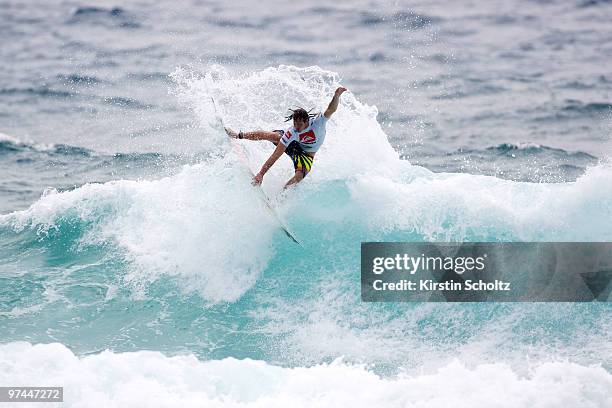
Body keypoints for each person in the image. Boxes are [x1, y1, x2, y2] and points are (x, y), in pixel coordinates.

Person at [225, 87, 347, 187]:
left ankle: (280, 198)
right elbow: (276, 155)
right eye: (295, 124)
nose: (297, 127)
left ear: (307, 121)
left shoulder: (318, 122)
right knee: (272, 135)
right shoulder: (292, 132)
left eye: (300, 124)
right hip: (294, 145)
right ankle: (238, 135)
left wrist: (336, 96)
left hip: (307, 155)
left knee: (298, 177)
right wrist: (261, 174)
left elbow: (331, 109)